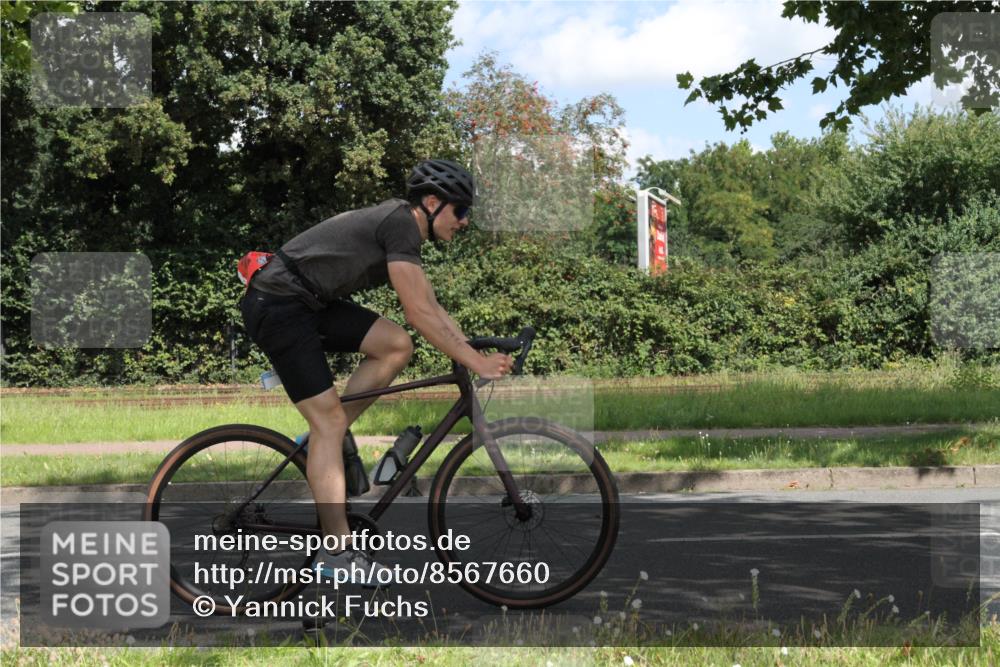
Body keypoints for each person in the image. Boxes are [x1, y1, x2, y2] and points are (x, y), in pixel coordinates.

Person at [240, 159, 513, 585]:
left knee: (395, 344)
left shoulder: (405, 230)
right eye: (461, 211)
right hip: (278, 305)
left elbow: (433, 307)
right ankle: (337, 554)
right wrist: (475, 362)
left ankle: (320, 444)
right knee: (330, 421)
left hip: (307, 303)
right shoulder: (401, 223)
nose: (464, 221)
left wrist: (468, 348)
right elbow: (419, 312)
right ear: (432, 202)